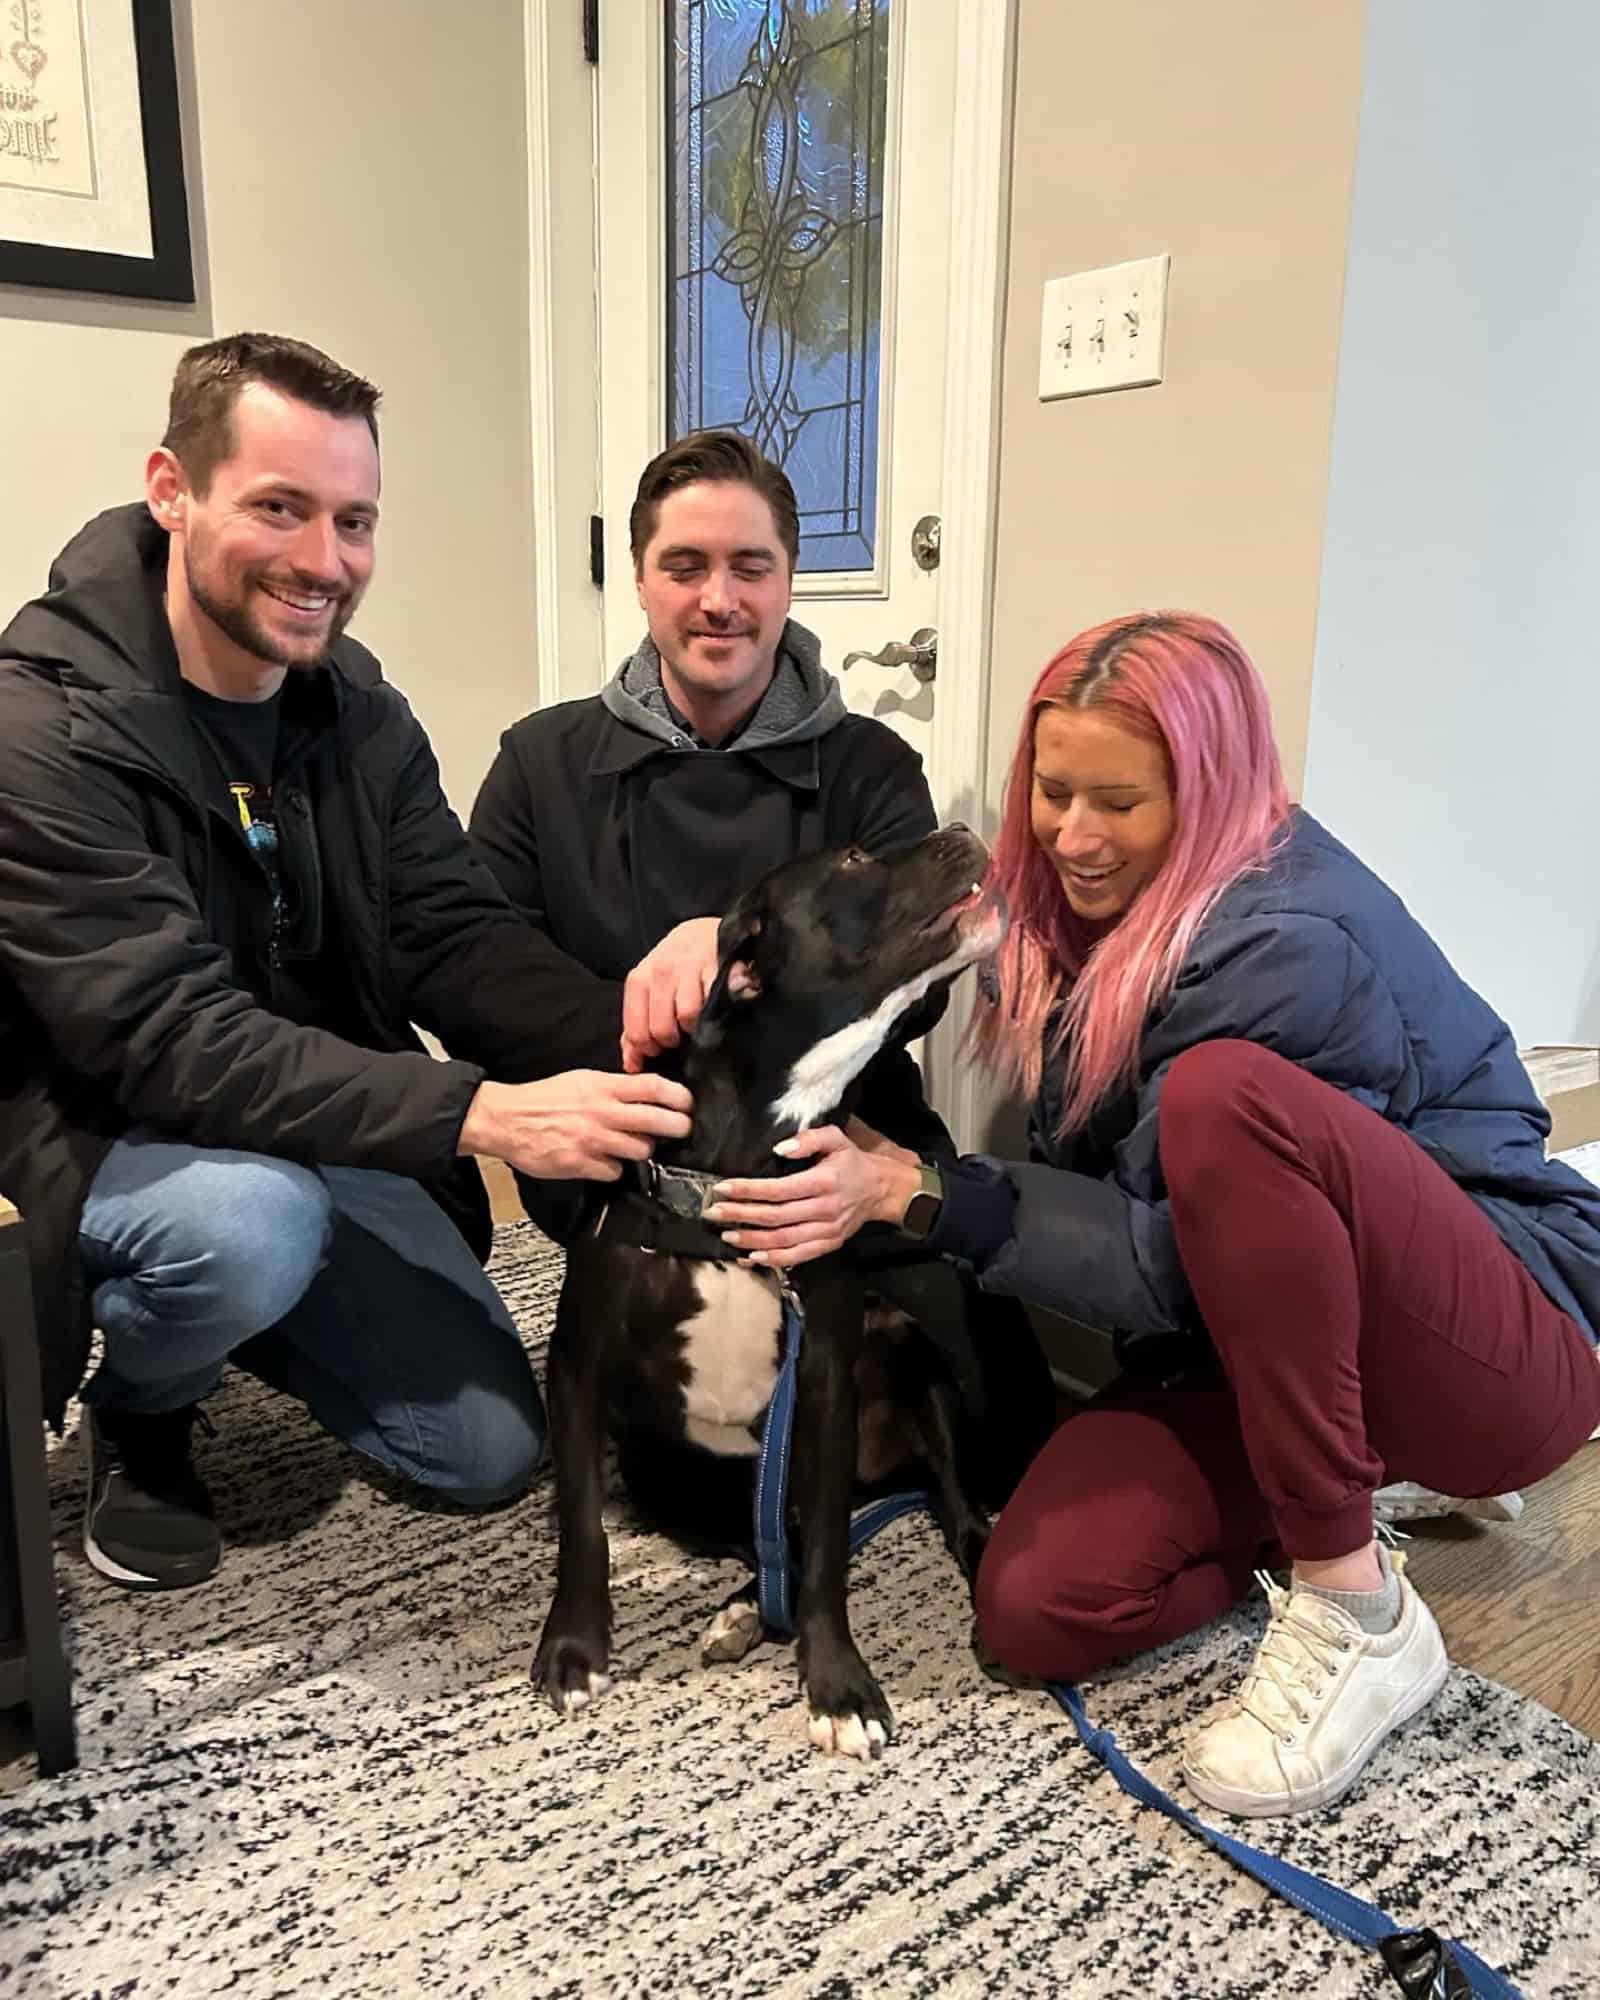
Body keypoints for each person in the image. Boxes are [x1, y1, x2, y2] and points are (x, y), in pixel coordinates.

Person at [705, 610, 1600, 1817]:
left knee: (1227, 1100)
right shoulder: (1091, 906)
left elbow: (1164, 1261)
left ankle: (1357, 1603)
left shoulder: (1280, 942)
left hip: (1501, 1332)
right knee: (1036, 1605)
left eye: (1117, 802)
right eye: (1052, 790)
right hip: (1245, 1341)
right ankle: (1350, 1474)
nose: (1072, 835)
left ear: (1210, 788)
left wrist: (915, 1188)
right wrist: (710, 955)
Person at [0, 333, 691, 1594]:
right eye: (280, 507)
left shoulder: (357, 709)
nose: (326, 561)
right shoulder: (42, 729)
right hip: (113, 1131)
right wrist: (477, 1112)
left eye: (354, 520)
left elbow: (452, 933)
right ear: (171, 489)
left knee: (484, 1450)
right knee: (251, 1224)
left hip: (307, 1119)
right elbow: (167, 1037)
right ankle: (147, 1402)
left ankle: (246, 1300)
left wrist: (652, 1042)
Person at [468, 428, 1054, 1499]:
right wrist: (664, 1033)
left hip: (841, 1144)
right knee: (661, 1480)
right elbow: (482, 973)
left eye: (751, 566)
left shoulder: (870, 768)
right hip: (636, 1156)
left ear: (789, 579)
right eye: (684, 566)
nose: (718, 600)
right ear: (640, 580)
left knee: (1010, 1426)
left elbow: (914, 994)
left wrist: (729, 934)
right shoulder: (538, 765)